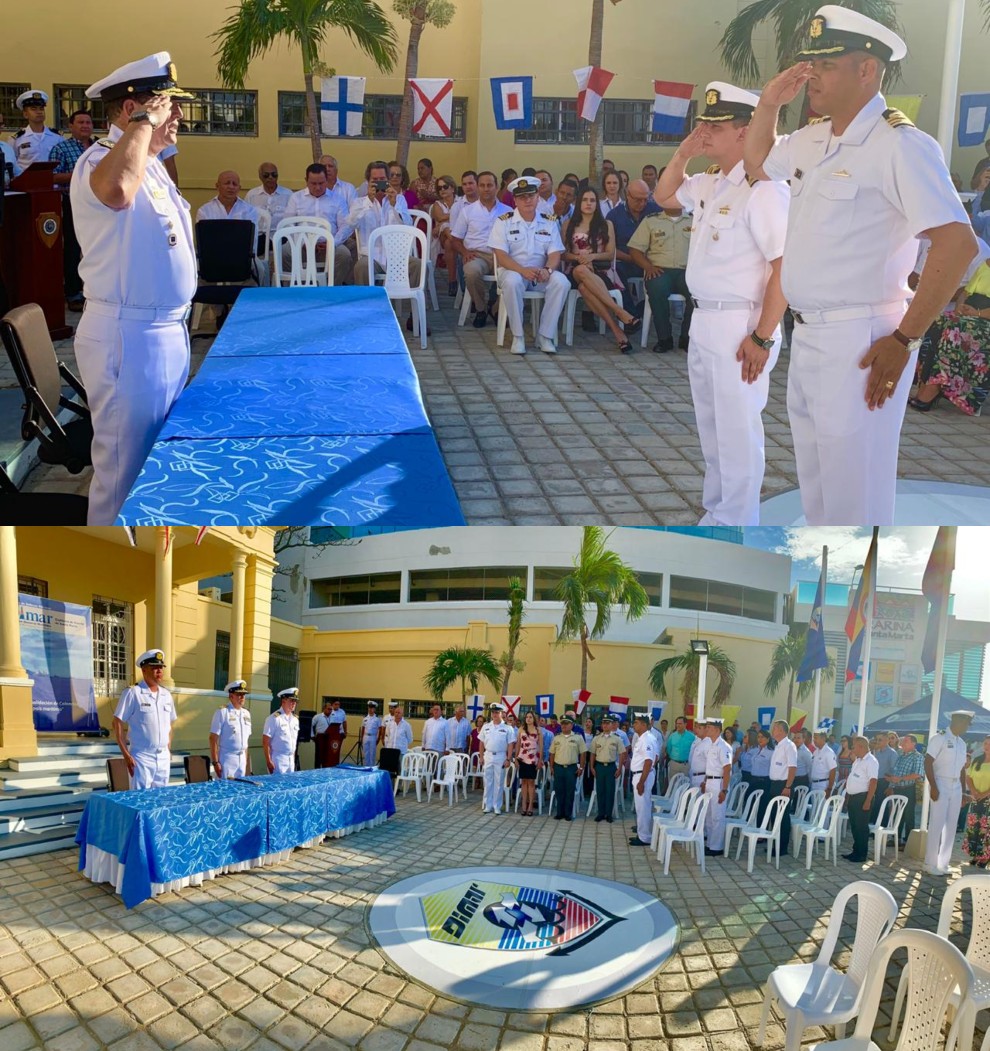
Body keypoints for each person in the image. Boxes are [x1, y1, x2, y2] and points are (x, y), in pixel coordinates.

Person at [744, 6, 978, 526]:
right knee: (820, 496)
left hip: (863, 339)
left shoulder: (901, 144)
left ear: (866, 71)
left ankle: (864, 601)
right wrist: (767, 105)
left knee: (856, 499)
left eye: (826, 65)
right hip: (807, 336)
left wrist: (905, 339)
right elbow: (757, 164)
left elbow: (958, 244)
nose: (812, 76)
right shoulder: (813, 137)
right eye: (812, 64)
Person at [71, 53, 195, 526]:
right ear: (129, 111)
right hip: (128, 336)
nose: (176, 115)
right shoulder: (98, 161)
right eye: (166, 105)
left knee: (153, 467)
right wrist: (144, 124)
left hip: (165, 331)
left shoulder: (154, 164)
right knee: (122, 476)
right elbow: (118, 191)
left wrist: (147, 133)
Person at [656, 82, 788, 526]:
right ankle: (717, 508)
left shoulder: (764, 189)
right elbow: (664, 197)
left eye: (716, 124)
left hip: (740, 323)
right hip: (705, 318)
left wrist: (762, 337)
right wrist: (682, 156)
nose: (704, 130)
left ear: (745, 131)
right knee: (712, 426)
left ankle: (737, 517)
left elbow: (783, 267)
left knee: (737, 428)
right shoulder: (711, 182)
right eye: (703, 122)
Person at [488, 174, 570, 356]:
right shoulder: (503, 222)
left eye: (531, 196)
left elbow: (555, 252)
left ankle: (545, 335)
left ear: (537, 197)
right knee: (513, 282)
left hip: (540, 273)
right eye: (522, 197)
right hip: (512, 270)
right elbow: (501, 255)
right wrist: (522, 270)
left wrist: (548, 270)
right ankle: (518, 336)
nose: (527, 200)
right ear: (515, 200)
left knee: (562, 282)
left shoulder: (549, 221)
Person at [909, 255, 990, 416]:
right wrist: (960, 307)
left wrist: (978, 313)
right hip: (971, 313)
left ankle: (934, 388)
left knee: (956, 328)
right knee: (939, 321)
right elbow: (965, 293)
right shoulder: (986, 263)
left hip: (985, 318)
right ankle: (925, 383)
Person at [562, 186, 640, 352]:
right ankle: (621, 313)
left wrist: (591, 257)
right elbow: (563, 254)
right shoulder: (568, 224)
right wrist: (580, 258)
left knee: (585, 287)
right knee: (581, 271)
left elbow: (610, 253)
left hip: (600, 270)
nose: (588, 204)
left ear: (597, 203)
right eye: (584, 200)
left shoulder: (606, 224)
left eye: (592, 200)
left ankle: (618, 332)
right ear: (578, 203)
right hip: (574, 269)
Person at [626, 196, 694, 353]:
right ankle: (664, 339)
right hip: (660, 270)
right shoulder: (651, 221)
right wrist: (647, 267)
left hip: (687, 271)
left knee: (696, 291)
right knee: (656, 289)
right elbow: (635, 249)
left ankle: (687, 337)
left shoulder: (694, 221)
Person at [450, 170, 511, 327]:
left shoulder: (508, 212)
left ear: (496, 187)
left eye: (490, 185)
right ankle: (481, 309)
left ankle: (496, 307)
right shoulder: (467, 211)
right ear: (477, 187)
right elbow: (455, 239)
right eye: (482, 185)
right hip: (478, 255)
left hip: (502, 256)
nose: (486, 189)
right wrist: (465, 252)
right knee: (470, 272)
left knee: (514, 276)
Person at [49, 110, 95, 312]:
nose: (85, 125)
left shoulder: (101, 146)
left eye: (88, 122)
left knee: (97, 249)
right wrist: (80, 174)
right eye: (81, 122)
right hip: (73, 204)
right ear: (71, 126)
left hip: (100, 205)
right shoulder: (61, 148)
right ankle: (74, 293)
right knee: (73, 250)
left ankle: (94, 292)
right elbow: (52, 177)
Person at [344, 161, 417, 288]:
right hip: (372, 256)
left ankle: (408, 305)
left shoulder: (399, 199)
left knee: (418, 266)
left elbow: (408, 225)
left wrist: (395, 206)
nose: (379, 183)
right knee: (361, 267)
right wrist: (369, 201)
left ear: (388, 180)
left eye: (382, 179)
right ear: (368, 181)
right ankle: (366, 305)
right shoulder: (359, 202)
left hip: (396, 255)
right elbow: (351, 223)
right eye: (375, 180)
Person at [112, 649, 175, 789]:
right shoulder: (133, 693)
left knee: (161, 799)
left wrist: (168, 748)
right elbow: (117, 722)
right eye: (154, 668)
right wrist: (126, 755)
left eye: (161, 668)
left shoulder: (166, 695)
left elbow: (170, 724)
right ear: (144, 670)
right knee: (140, 800)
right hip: (141, 756)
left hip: (163, 756)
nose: (159, 671)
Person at [283, 163, 354, 284]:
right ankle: (295, 287)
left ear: (327, 180)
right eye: (313, 183)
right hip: (301, 245)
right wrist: (301, 242)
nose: (317, 187)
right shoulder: (296, 198)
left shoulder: (337, 199)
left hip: (328, 245)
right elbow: (288, 224)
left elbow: (345, 225)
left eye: (321, 183)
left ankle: (331, 288)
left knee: (344, 255)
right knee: (284, 252)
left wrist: (332, 242)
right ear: (306, 181)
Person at [924, 710, 974, 875]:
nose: (967, 727)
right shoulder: (940, 738)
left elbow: (961, 769)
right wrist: (934, 786)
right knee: (937, 824)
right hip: (940, 782)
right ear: (957, 721)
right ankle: (929, 863)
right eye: (966, 723)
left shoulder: (962, 743)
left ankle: (943, 864)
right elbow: (928, 762)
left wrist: (963, 791)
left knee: (951, 826)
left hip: (956, 787)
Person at [610, 179, 662, 314]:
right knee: (615, 273)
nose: (642, 203)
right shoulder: (614, 215)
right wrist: (632, 258)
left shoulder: (656, 211)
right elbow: (608, 247)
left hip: (653, 261)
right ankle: (629, 313)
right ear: (628, 195)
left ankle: (644, 308)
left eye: (646, 199)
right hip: (626, 261)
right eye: (638, 200)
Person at [843, 736, 878, 863]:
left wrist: (868, 801)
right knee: (854, 826)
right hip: (853, 797)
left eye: (854, 746)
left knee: (861, 827)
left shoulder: (871, 761)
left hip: (863, 797)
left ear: (861, 747)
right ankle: (855, 851)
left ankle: (862, 854)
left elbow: (873, 782)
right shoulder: (858, 760)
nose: (852, 749)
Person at [887, 734, 924, 847]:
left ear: (914, 744)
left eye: (905, 741)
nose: (902, 744)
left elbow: (918, 774)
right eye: (902, 742)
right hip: (897, 788)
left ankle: (908, 841)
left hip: (909, 789)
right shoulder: (901, 756)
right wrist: (891, 784)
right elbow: (896, 772)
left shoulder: (917, 757)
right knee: (897, 815)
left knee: (908, 816)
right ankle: (896, 838)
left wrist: (900, 779)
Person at [209, 680, 252, 779]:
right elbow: (213, 738)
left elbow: (246, 739)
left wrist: (245, 758)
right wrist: (215, 762)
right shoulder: (222, 712)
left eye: (243, 695)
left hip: (242, 758)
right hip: (227, 758)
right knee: (226, 790)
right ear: (231, 696)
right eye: (239, 695)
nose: (242, 697)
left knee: (240, 789)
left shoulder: (246, 713)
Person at [478, 703, 516, 815]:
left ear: (502, 713)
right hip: (488, 755)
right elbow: (481, 742)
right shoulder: (486, 726)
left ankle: (497, 806)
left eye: (497, 712)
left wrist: (508, 759)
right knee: (488, 781)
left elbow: (510, 745)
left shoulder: (507, 728)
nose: (494, 714)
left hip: (500, 756)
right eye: (493, 712)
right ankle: (487, 805)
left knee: (499, 782)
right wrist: (481, 756)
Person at [703, 718, 733, 856]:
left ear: (716, 729)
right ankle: (710, 844)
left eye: (709, 727)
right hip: (710, 781)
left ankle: (717, 847)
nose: (706, 729)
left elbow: (727, 769)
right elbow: (710, 767)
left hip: (718, 783)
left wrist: (724, 789)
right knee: (709, 815)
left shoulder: (724, 747)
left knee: (717, 816)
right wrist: (705, 781)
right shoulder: (712, 745)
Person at [628, 713, 659, 845]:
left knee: (643, 807)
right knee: (641, 807)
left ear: (644, 725)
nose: (634, 725)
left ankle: (644, 837)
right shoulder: (642, 738)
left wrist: (641, 781)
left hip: (642, 775)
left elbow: (649, 761)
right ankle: (642, 833)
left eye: (636, 722)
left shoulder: (647, 739)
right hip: (641, 774)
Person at [11, 90, 63, 169]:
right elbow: (12, 164)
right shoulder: (16, 139)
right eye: (34, 109)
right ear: (25, 114)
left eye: (41, 109)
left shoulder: (57, 137)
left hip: (52, 180)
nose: (39, 112)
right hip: (27, 180)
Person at [768, 719, 797, 855]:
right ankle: (775, 844)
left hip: (783, 785)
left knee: (782, 816)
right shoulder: (778, 745)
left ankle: (782, 847)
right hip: (774, 784)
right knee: (774, 815)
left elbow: (792, 768)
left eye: (775, 728)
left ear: (781, 730)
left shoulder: (789, 745)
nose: (772, 731)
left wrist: (788, 786)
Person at [549, 714, 586, 821]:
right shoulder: (557, 738)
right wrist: (551, 767)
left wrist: (581, 768)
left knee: (570, 791)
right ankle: (559, 813)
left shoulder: (578, 737)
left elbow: (583, 753)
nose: (564, 726)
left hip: (571, 768)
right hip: (558, 767)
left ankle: (568, 814)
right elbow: (552, 753)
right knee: (559, 791)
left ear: (572, 725)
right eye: (562, 723)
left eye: (566, 723)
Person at [963, 735, 990, 868]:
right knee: (974, 828)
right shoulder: (977, 760)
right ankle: (975, 854)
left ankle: (985, 858)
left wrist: (985, 794)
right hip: (976, 799)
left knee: (986, 829)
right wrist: (974, 792)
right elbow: (969, 778)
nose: (987, 746)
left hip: (988, 800)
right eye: (985, 743)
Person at [590, 715, 623, 822]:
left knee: (610, 791)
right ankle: (601, 813)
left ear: (611, 725)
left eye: (607, 723)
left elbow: (622, 753)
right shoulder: (596, 738)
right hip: (599, 766)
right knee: (600, 791)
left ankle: (609, 814)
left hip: (610, 767)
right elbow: (592, 754)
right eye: (603, 723)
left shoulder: (616, 738)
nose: (605, 725)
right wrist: (591, 767)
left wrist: (619, 768)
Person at [431, 176, 458, 297]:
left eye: (445, 187)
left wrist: (446, 218)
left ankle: (452, 282)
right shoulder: (437, 204)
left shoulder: (461, 201)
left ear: (452, 188)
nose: (442, 190)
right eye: (439, 188)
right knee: (446, 226)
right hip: (442, 236)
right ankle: (454, 240)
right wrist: (456, 215)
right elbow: (440, 217)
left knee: (449, 244)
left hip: (458, 234)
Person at [246, 162, 293, 230]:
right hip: (258, 236)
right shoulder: (252, 195)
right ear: (260, 176)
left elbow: (292, 220)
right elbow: (246, 218)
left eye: (274, 175)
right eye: (266, 175)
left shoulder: (288, 195)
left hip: (280, 236)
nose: (270, 177)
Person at [263, 688, 300, 774]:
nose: (294, 703)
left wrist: (293, 759)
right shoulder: (274, 719)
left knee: (289, 785)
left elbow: (293, 742)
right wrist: (269, 761)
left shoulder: (295, 719)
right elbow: (265, 742)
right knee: (277, 785)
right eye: (291, 700)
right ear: (283, 701)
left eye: (295, 701)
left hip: (291, 760)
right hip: (278, 759)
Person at [516, 711, 543, 816]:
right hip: (522, 758)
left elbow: (541, 746)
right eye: (527, 717)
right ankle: (523, 805)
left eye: (530, 717)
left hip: (533, 759)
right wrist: (516, 758)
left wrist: (540, 761)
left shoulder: (538, 730)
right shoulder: (521, 729)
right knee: (524, 782)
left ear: (534, 719)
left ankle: (530, 806)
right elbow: (518, 744)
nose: (528, 719)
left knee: (531, 782)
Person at [381, 705, 414, 781]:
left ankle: (398, 787)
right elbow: (388, 736)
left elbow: (410, 739)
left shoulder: (406, 725)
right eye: (396, 712)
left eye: (399, 712)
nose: (397, 714)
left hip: (401, 751)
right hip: (391, 751)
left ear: (402, 714)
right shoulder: (390, 724)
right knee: (390, 769)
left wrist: (402, 744)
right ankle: (391, 786)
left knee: (400, 769)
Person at [872, 730, 899, 820]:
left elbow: (894, 771)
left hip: (884, 782)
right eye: (877, 739)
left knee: (882, 806)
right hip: (875, 781)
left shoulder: (892, 753)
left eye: (880, 740)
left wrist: (891, 787)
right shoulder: (876, 752)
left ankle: (882, 829)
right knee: (875, 805)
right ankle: (873, 828)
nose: (877, 741)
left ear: (887, 740)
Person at [751, 729, 773, 821]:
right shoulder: (756, 750)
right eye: (758, 737)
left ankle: (761, 829)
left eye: (762, 737)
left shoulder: (771, 752)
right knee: (752, 806)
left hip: (764, 781)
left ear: (768, 739)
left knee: (762, 807)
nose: (760, 739)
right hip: (754, 780)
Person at [665, 716, 695, 781]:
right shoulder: (672, 736)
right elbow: (668, 749)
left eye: (680, 724)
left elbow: (694, 750)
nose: (678, 725)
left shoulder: (692, 737)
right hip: (674, 764)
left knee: (684, 786)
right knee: (673, 786)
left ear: (685, 724)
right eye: (677, 723)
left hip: (685, 765)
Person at [810, 729, 838, 796]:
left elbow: (833, 770)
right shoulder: (815, 752)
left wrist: (829, 788)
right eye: (814, 738)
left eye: (816, 738)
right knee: (815, 806)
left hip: (823, 785)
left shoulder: (829, 752)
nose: (814, 740)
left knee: (821, 806)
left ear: (823, 738)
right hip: (814, 784)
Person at [688, 718, 711, 792]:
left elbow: (711, 765)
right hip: (694, 776)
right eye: (696, 727)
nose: (697, 730)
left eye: (699, 728)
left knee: (700, 803)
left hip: (702, 778)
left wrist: (705, 782)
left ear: (706, 730)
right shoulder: (700, 741)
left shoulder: (708, 743)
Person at [311, 700, 334, 768]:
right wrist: (312, 735)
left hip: (329, 738)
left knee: (327, 754)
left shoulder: (332, 717)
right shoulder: (317, 717)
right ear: (324, 709)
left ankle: (325, 767)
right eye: (328, 709)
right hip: (320, 737)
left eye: (331, 709)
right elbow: (310, 726)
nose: (330, 711)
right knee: (319, 754)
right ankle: (317, 768)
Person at [359, 701, 381, 767]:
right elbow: (363, 728)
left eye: (372, 708)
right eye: (369, 708)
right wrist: (361, 738)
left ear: (374, 709)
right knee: (366, 753)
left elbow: (380, 729)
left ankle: (371, 767)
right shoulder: (365, 718)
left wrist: (378, 738)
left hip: (373, 737)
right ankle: (366, 767)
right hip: (365, 736)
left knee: (372, 753)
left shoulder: (377, 718)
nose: (370, 710)